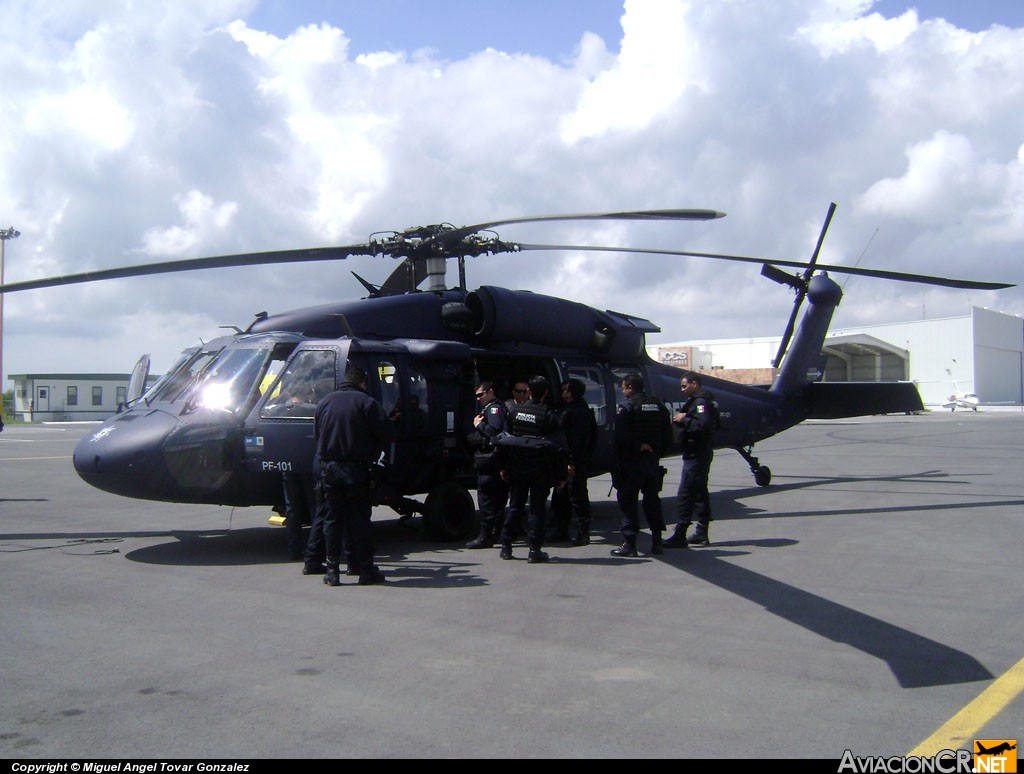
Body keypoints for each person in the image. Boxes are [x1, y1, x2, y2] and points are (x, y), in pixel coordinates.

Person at [314, 365, 393, 586]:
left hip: (329, 469)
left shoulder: (324, 403)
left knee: (332, 520)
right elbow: (387, 433)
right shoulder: (367, 403)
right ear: (363, 383)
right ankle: (365, 568)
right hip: (356, 470)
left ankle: (332, 571)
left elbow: (317, 436)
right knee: (359, 521)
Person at [497, 375, 566, 563]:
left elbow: (505, 441)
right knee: (537, 510)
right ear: (545, 392)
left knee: (515, 506)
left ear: (528, 391)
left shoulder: (514, 412)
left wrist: (503, 466)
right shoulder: (549, 415)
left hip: (517, 467)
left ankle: (506, 546)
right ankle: (534, 550)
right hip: (539, 470)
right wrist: (561, 475)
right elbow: (558, 448)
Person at [611, 372, 673, 557]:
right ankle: (656, 541)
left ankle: (629, 544)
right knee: (652, 501)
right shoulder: (658, 406)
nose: (622, 391)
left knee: (628, 503)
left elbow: (620, 436)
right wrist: (655, 452)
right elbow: (668, 435)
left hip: (631, 463)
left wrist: (636, 448)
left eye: (623, 387)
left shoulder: (627, 407)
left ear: (630, 388)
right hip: (652, 463)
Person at [665, 372, 717, 548]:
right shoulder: (696, 401)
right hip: (695, 454)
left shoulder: (701, 403)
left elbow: (702, 426)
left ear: (695, 384)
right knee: (699, 492)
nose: (682, 389)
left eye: (684, 386)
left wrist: (683, 418)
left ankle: (680, 533)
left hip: (697, 455)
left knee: (686, 494)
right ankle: (701, 532)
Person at [550, 378, 597, 546]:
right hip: (564, 460)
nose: (563, 393)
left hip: (573, 462)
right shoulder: (570, 409)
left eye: (565, 390)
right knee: (560, 496)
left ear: (571, 392)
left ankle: (583, 532)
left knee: (578, 497)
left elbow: (579, 441)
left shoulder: (579, 412)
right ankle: (562, 529)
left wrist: (573, 462)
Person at [465, 381, 508, 549]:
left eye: (480, 395)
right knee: (496, 501)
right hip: (494, 462)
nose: (478, 399)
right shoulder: (493, 408)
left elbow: (494, 431)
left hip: (491, 462)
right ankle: (496, 533)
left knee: (487, 501)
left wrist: (478, 425)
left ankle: (487, 536)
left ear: (490, 392)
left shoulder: (494, 409)